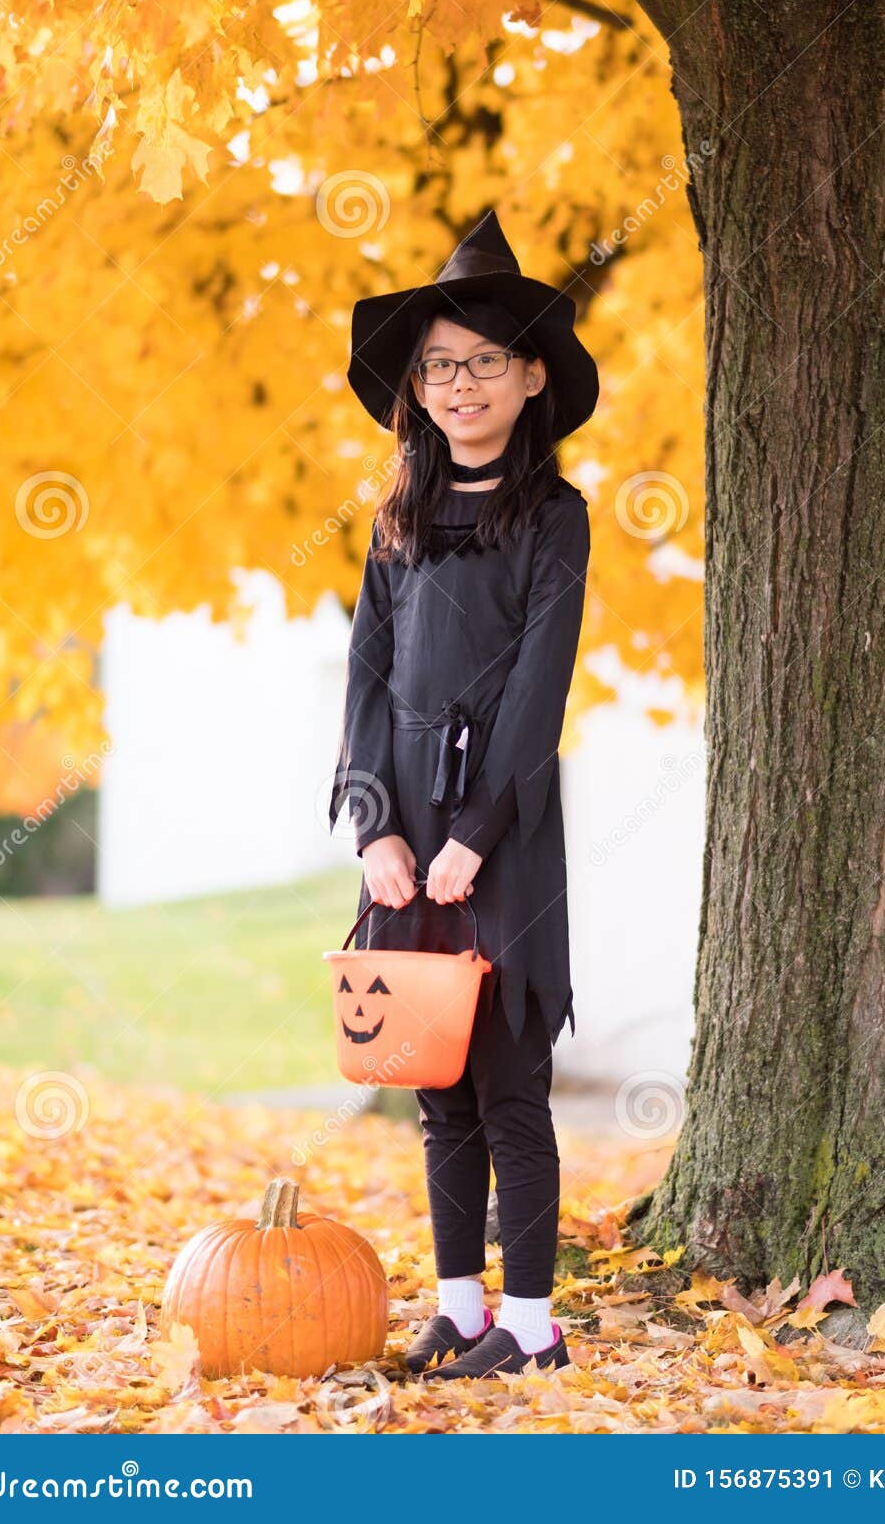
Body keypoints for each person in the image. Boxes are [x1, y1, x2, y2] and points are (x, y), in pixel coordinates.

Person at [329, 208, 598, 1379]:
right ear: (416, 387)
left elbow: (538, 695)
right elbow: (364, 681)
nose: (459, 382)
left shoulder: (553, 518)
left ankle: (532, 1325)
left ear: (531, 376)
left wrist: (475, 836)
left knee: (504, 1086)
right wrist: (374, 826)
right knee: (431, 1083)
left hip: (505, 830)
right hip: (407, 833)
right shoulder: (393, 521)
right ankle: (461, 1306)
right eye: (439, 364)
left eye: (484, 360)